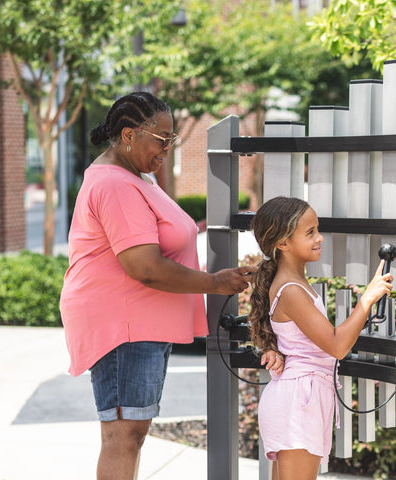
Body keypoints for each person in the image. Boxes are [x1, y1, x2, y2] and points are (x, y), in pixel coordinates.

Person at [59, 91, 283, 480]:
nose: (167, 148)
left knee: (133, 431)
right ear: (128, 135)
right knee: (123, 434)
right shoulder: (114, 183)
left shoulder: (135, 176)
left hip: (138, 323)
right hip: (123, 326)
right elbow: (144, 267)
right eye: (161, 139)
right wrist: (213, 283)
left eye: (172, 139)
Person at [248, 196, 394, 480]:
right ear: (282, 243)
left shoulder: (294, 283)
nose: (320, 238)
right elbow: (338, 345)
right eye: (310, 232)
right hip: (300, 400)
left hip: (301, 396)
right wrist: (368, 297)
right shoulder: (291, 290)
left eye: (317, 229)